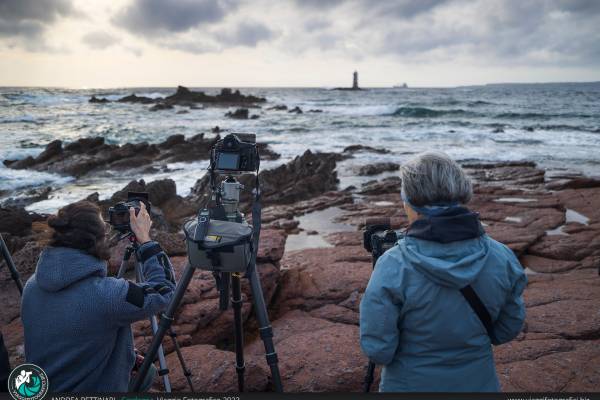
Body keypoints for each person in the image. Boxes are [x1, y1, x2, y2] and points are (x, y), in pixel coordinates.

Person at [359, 151, 527, 392]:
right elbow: (506, 330)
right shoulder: (502, 257)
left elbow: (378, 350)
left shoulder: (393, 264)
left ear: (409, 201)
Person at [21, 200, 175, 392]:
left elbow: (72, 333)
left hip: (39, 389)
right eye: (105, 229)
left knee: (146, 371)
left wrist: (127, 354)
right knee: (147, 375)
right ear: (96, 241)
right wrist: (145, 240)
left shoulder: (32, 285)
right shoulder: (106, 294)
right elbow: (164, 290)